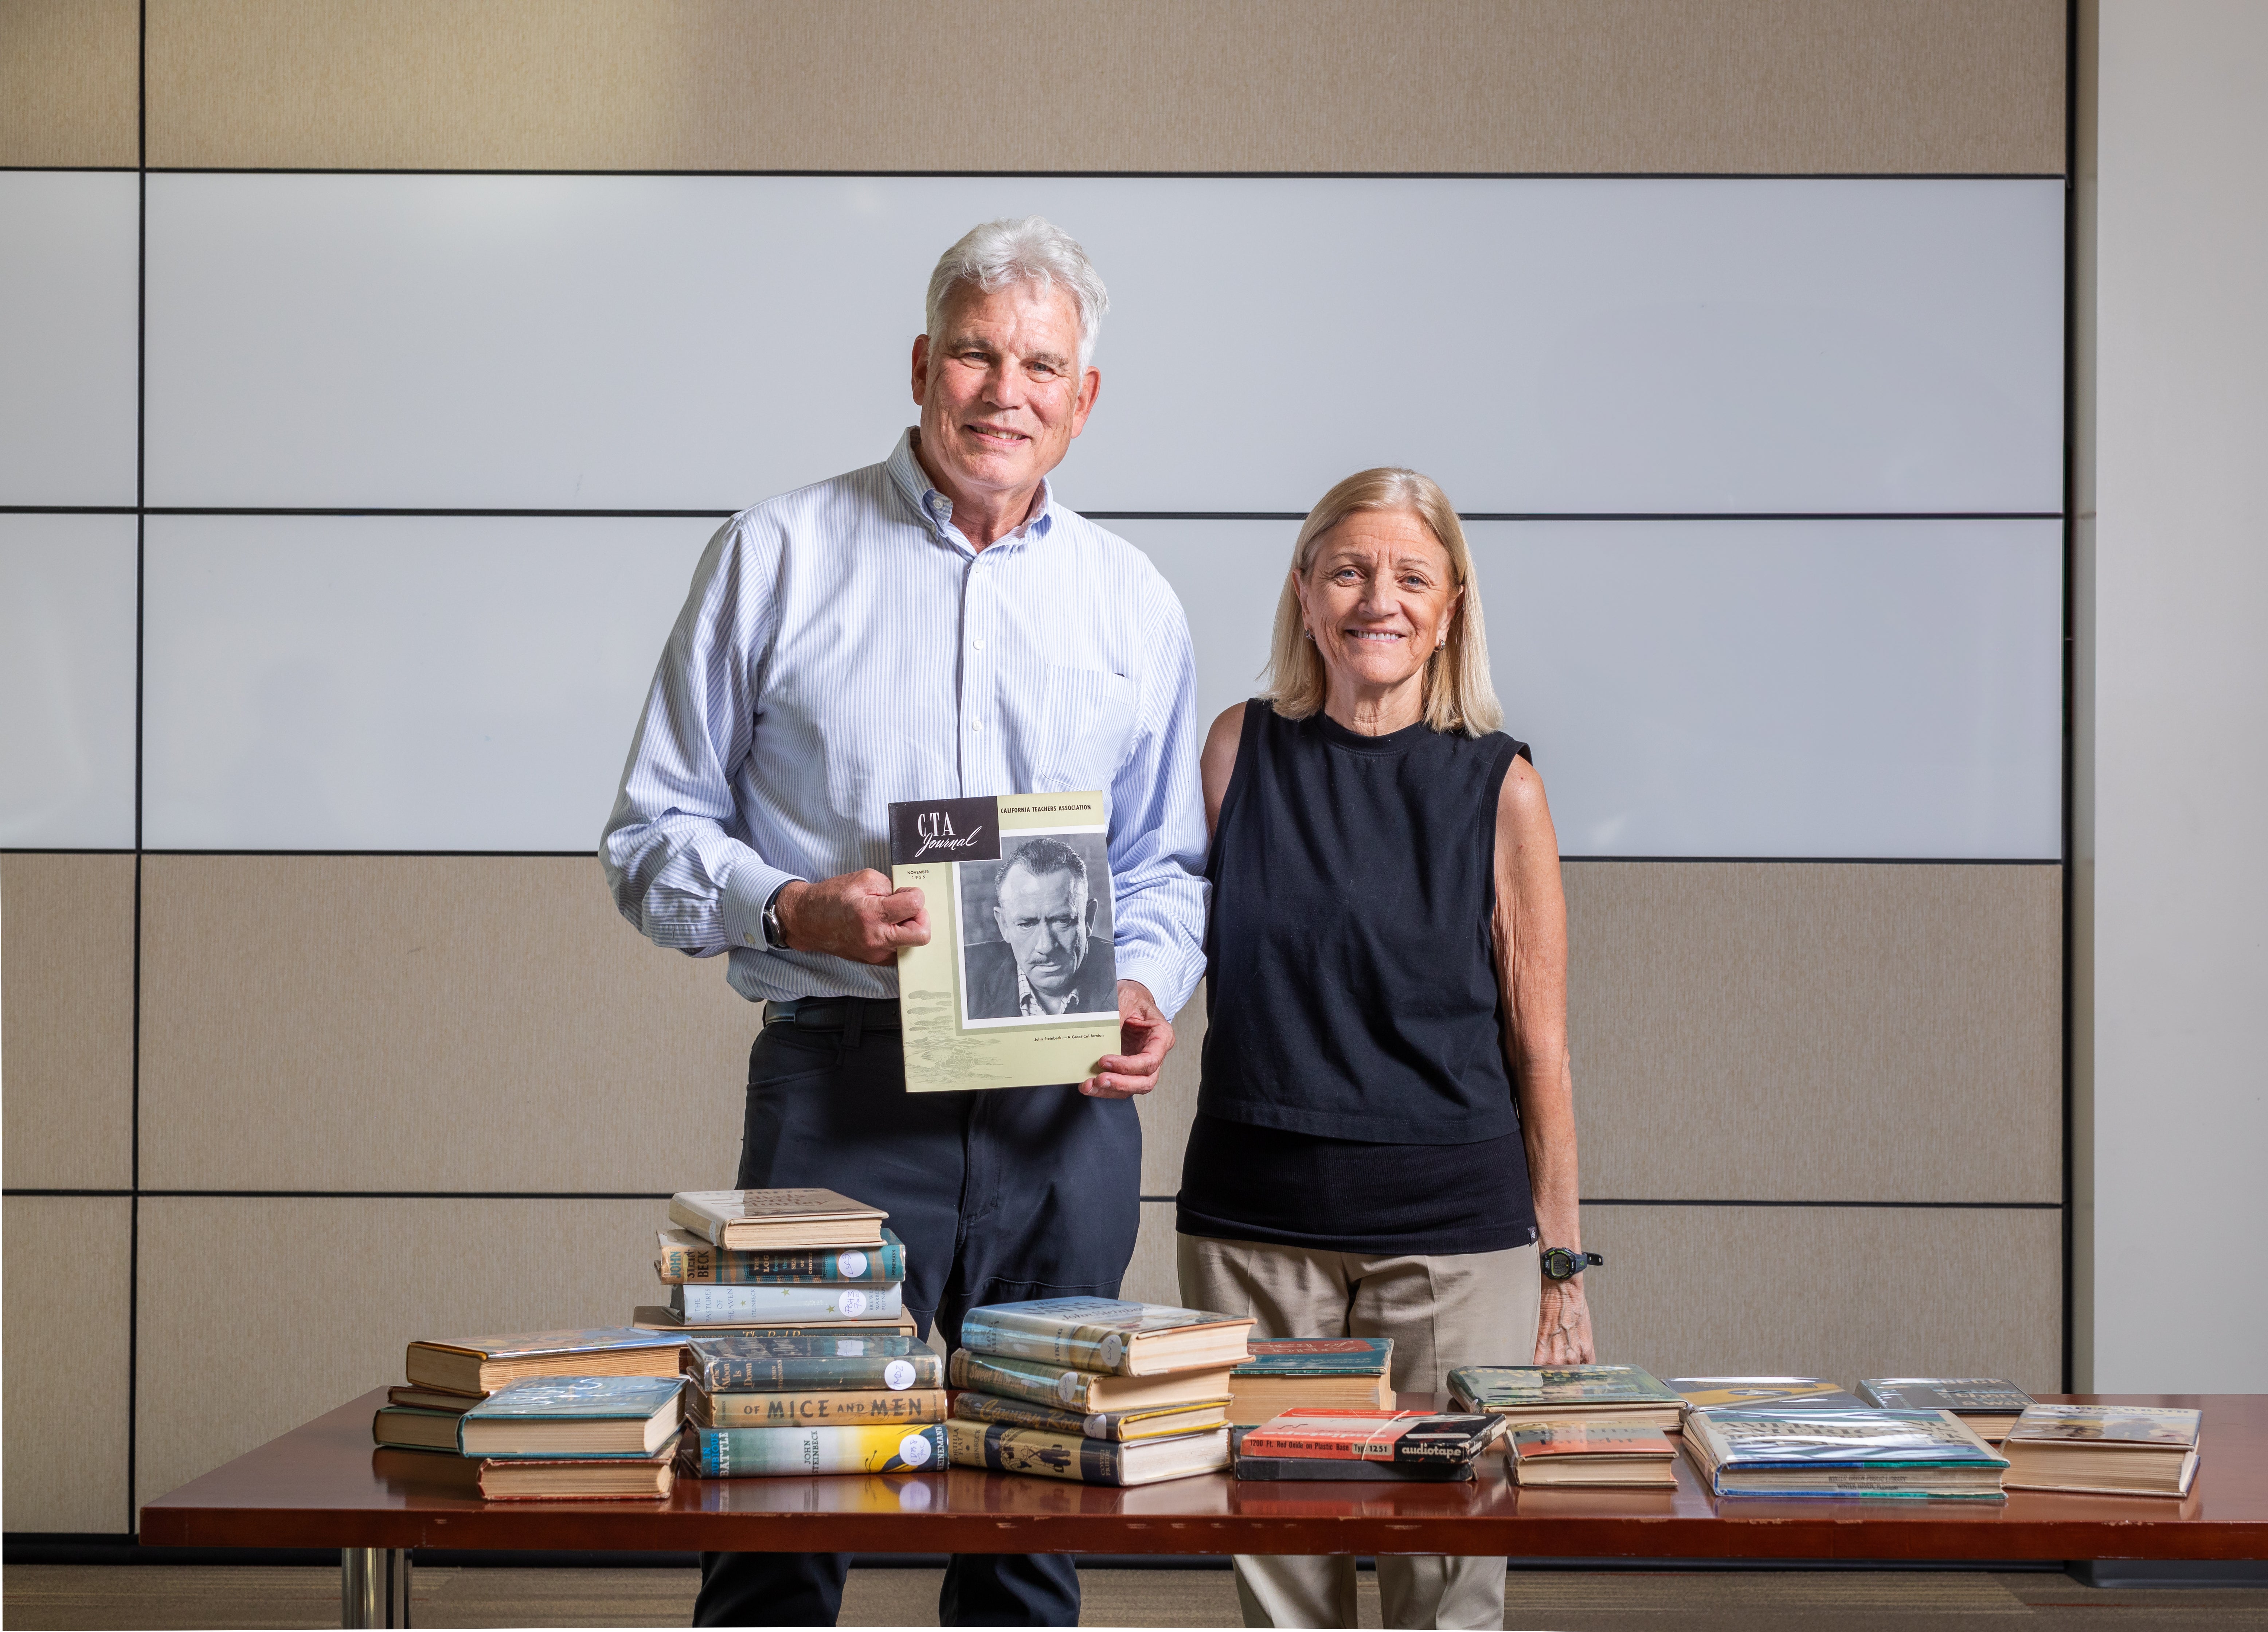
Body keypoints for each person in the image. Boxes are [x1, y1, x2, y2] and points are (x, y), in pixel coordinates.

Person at [601, 216, 1206, 1628]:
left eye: (1042, 364)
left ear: (1086, 395)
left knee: (1036, 1505)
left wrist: (1141, 981)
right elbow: (649, 836)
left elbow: (1167, 863)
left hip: (1059, 1101)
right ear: (924, 363)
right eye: (979, 355)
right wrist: (793, 904)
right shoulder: (777, 553)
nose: (1008, 392)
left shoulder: (1132, 599)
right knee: (781, 1492)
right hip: (838, 1081)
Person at [1174, 468, 1593, 1632]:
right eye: (1349, 569)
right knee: (1284, 1571)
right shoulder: (1232, 750)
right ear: (1305, 593)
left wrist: (1558, 1267)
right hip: (1251, 1229)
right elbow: (1155, 934)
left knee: (1442, 1577)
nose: (1378, 599)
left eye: (1410, 575)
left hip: (1454, 1240)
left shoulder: (1500, 784)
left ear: (1450, 605)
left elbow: (1540, 1045)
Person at [964, 837, 1120, 1018]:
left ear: (1088, 919)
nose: (1046, 947)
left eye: (1063, 921)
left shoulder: (1126, 974)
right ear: (1004, 924)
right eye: (1027, 924)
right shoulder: (962, 975)